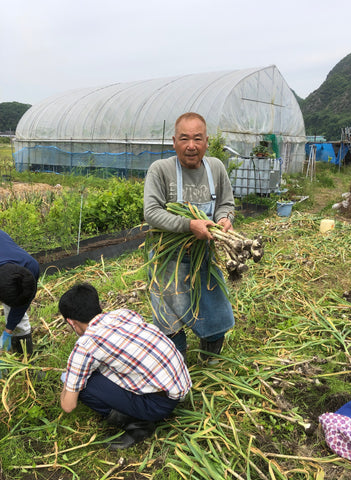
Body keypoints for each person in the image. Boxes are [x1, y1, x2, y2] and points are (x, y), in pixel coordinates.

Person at [143, 112, 235, 362]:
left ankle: (210, 356)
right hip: (168, 259)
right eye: (184, 139)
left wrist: (225, 219)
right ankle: (176, 363)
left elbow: (226, 204)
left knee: (214, 308)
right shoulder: (160, 170)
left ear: (206, 141)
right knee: (169, 314)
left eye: (197, 139)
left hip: (204, 256)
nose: (191, 146)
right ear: (174, 142)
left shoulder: (215, 167)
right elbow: (151, 212)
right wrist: (188, 224)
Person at [58, 283, 192, 450]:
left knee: (84, 386)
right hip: (180, 386)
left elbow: (68, 405)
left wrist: (69, 378)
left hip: (159, 405)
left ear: (71, 322)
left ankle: (138, 425)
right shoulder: (123, 314)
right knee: (96, 370)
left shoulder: (86, 345)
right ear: (98, 306)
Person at [0, 230, 39, 355]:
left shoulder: (31, 267)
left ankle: (25, 356)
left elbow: (23, 301)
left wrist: (8, 330)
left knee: (16, 305)